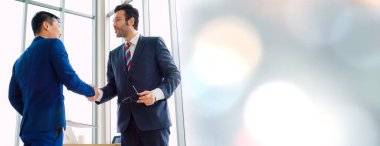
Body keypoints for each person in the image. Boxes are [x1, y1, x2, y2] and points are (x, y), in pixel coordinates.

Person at [8, 11, 99, 146]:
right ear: (46, 25)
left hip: (28, 129)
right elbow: (70, 79)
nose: (60, 32)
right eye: (58, 25)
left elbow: (13, 97)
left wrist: (34, 115)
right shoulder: (53, 44)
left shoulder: (19, 62)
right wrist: (92, 91)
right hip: (48, 129)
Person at [95, 3, 181, 146]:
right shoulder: (114, 55)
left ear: (131, 21)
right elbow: (113, 86)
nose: (113, 24)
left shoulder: (154, 43)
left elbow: (174, 75)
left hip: (154, 122)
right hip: (127, 125)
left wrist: (155, 94)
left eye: (117, 19)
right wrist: (99, 93)